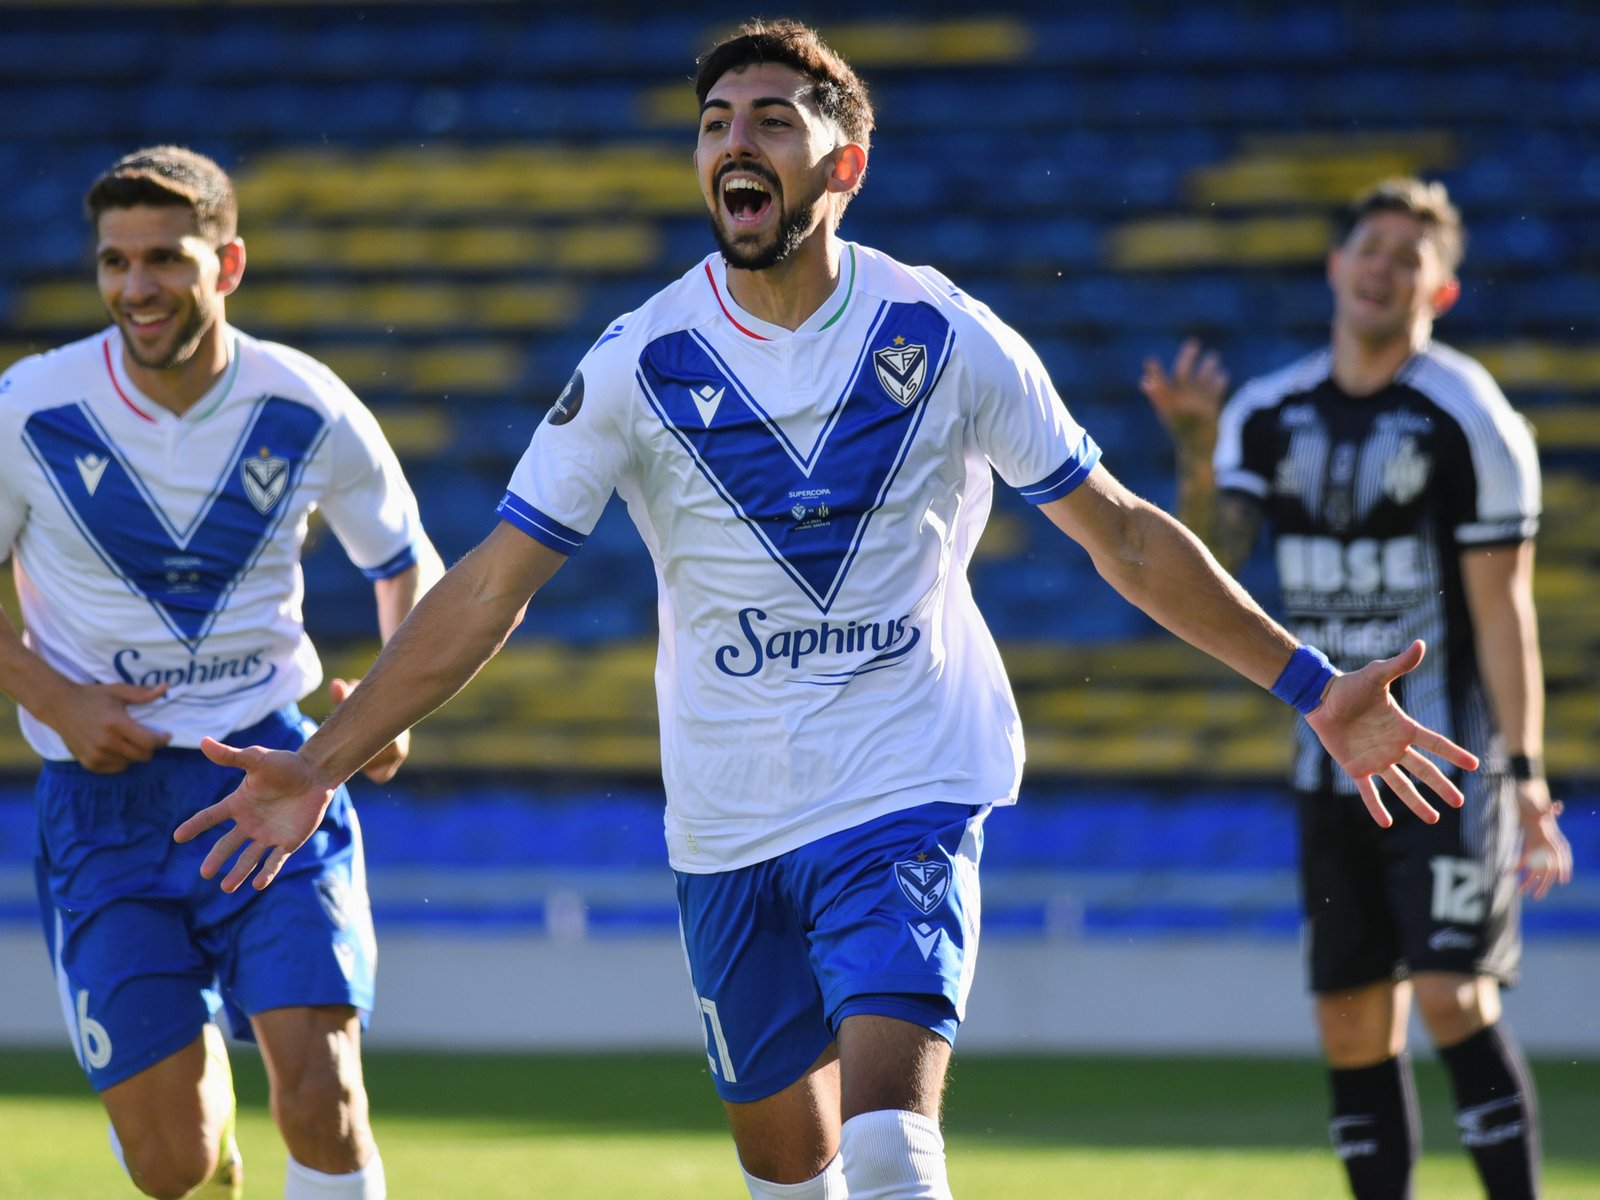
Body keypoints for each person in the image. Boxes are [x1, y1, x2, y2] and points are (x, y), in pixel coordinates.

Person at [177, 26, 1475, 1200]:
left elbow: (1126, 539)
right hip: (730, 818)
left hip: (906, 781)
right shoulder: (639, 360)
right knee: (786, 1167)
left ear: (844, 161)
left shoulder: (946, 334)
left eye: (771, 119)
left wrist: (1311, 685)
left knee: (887, 1141)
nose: (734, 141)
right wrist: (319, 764)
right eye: (714, 122)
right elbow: (493, 587)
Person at [0, 145, 442, 1200]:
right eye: (114, 262)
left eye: (164, 258)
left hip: (271, 779)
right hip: (103, 810)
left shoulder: (307, 403)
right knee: (175, 1168)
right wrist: (52, 695)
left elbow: (405, 564)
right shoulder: (29, 410)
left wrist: (388, 709)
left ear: (227, 264)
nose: (135, 288)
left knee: (325, 1092)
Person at [1141, 177, 1572, 1200]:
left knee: (1449, 994)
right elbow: (1219, 550)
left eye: (1406, 255)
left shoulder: (1468, 417)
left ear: (1441, 290)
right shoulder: (1267, 411)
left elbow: (1503, 610)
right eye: (1367, 247)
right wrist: (1197, 449)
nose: (1381, 266)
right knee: (1346, 1013)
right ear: (1336, 268)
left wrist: (1525, 775)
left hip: (1444, 761)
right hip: (1330, 758)